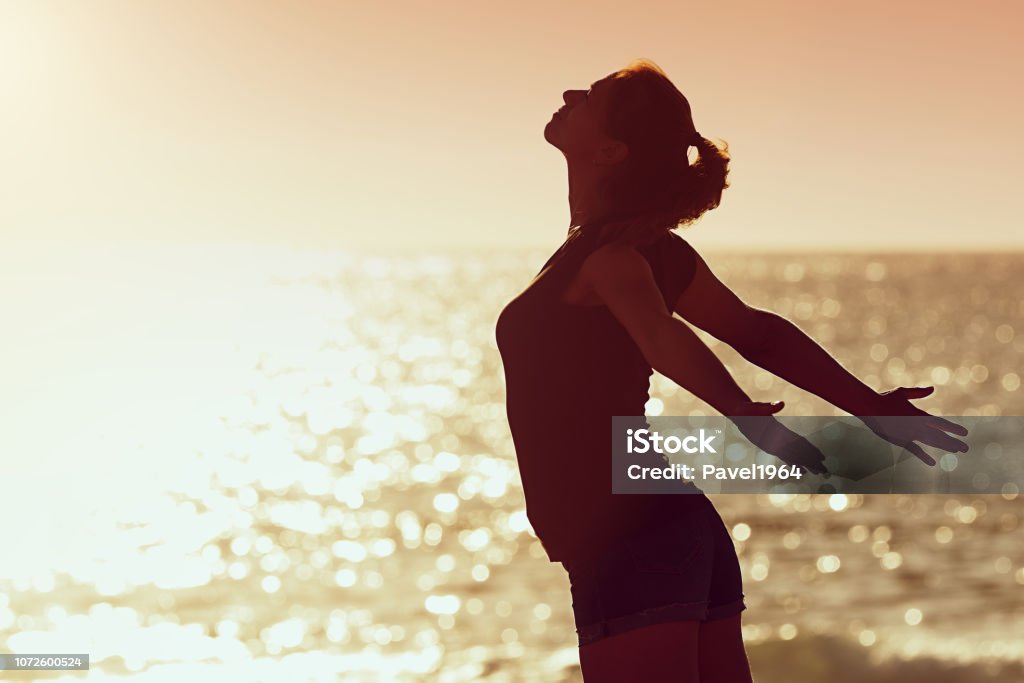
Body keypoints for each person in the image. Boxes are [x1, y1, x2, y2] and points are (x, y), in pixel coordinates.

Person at [494, 58, 968, 682]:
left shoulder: (613, 259)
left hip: (629, 534)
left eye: (592, 95)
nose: (569, 92)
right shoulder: (640, 251)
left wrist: (744, 413)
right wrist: (866, 405)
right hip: (667, 529)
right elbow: (755, 331)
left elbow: (668, 340)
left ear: (610, 151)